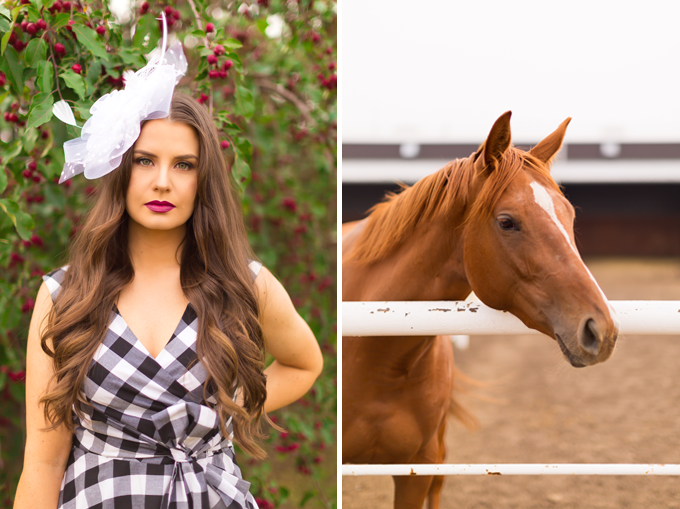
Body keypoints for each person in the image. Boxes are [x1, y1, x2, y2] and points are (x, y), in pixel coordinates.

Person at [13, 20, 323, 509]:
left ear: (204, 179)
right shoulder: (64, 297)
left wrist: (225, 412)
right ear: (120, 169)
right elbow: (44, 462)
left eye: (183, 164)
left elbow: (306, 364)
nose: (162, 182)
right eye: (144, 161)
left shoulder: (246, 283)